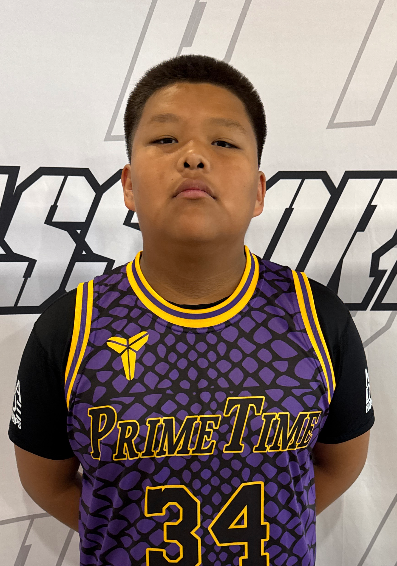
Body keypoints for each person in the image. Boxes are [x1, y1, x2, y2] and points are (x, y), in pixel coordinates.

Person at [9, 54, 374, 566]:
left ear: (259, 192)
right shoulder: (71, 326)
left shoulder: (317, 317)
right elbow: (46, 481)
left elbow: (339, 464)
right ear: (129, 184)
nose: (194, 157)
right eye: (165, 139)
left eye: (223, 142)